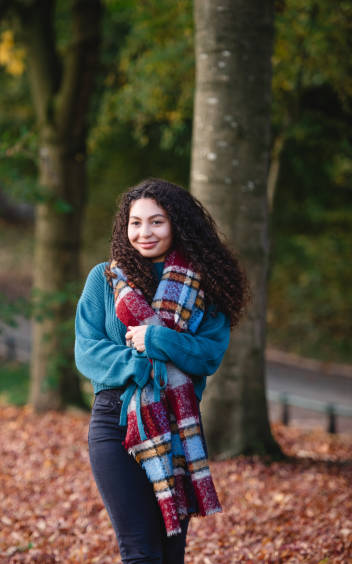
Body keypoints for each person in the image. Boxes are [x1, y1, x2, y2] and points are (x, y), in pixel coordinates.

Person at [75, 178, 248, 564]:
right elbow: (87, 352)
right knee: (139, 551)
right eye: (135, 223)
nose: (144, 232)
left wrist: (156, 340)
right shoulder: (105, 279)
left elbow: (207, 356)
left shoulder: (206, 285)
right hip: (114, 423)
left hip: (178, 425)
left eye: (157, 222)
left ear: (178, 225)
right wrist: (143, 365)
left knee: (170, 552)